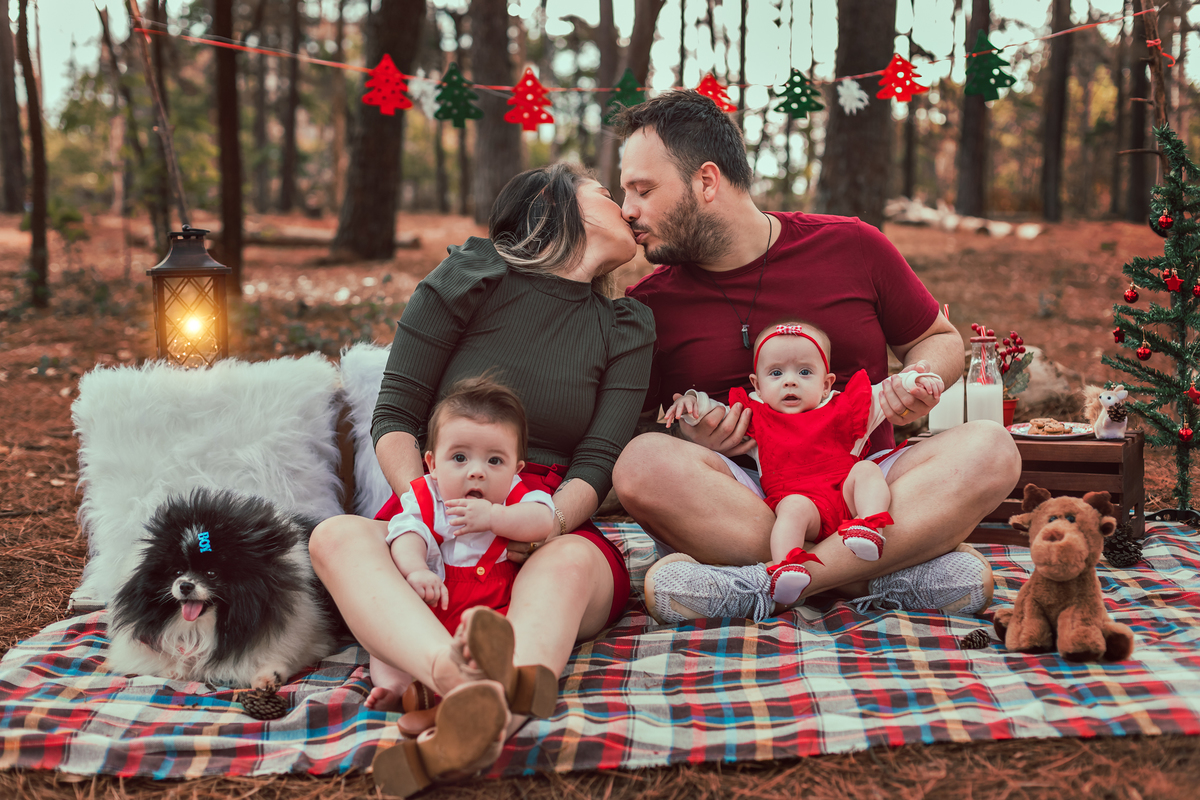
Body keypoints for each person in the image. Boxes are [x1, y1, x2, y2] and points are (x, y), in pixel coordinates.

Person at [610, 90, 1021, 624]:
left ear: (707, 181)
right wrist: (687, 435)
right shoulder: (649, 303)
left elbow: (938, 339)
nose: (628, 209)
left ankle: (762, 586)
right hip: (746, 494)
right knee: (640, 464)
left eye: (643, 190)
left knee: (992, 447)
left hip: (865, 483)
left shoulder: (853, 245)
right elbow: (632, 428)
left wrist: (920, 379)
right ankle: (878, 576)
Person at [309, 163, 654, 797]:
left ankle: (477, 713)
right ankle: (457, 682)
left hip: (544, 519)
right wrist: (427, 511)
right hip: (438, 509)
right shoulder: (473, 276)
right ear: (553, 205)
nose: (630, 210)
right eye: (610, 194)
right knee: (335, 537)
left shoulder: (625, 325)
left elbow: (599, 459)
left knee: (569, 564)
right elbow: (396, 416)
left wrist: (548, 523)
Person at [658, 320, 944, 613]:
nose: (790, 381)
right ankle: (787, 567)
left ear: (826, 383)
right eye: (776, 373)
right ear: (757, 385)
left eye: (805, 372)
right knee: (793, 507)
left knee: (866, 471)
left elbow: (890, 390)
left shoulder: (846, 407)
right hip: (805, 510)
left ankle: (869, 526)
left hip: (846, 499)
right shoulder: (755, 416)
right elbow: (713, 414)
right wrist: (691, 405)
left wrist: (916, 381)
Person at [365, 376, 559, 710]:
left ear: (516, 469)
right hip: (433, 602)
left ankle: (483, 687)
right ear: (432, 464)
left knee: (509, 638)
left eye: (494, 461)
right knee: (385, 634)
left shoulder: (514, 497)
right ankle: (395, 686)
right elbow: (406, 533)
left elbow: (543, 521)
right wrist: (415, 570)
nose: (477, 471)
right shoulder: (428, 497)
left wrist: (494, 517)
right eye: (459, 458)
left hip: (493, 609)